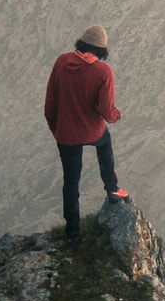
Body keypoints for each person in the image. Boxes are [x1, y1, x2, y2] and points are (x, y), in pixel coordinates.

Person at [43, 24, 129, 244]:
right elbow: (108, 113)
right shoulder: (103, 72)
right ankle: (112, 189)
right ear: (101, 51)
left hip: (66, 135)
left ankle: (72, 233)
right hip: (92, 131)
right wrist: (118, 115)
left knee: (71, 183)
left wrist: (57, 131)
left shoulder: (62, 62)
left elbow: (50, 104)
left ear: (81, 44)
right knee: (104, 143)